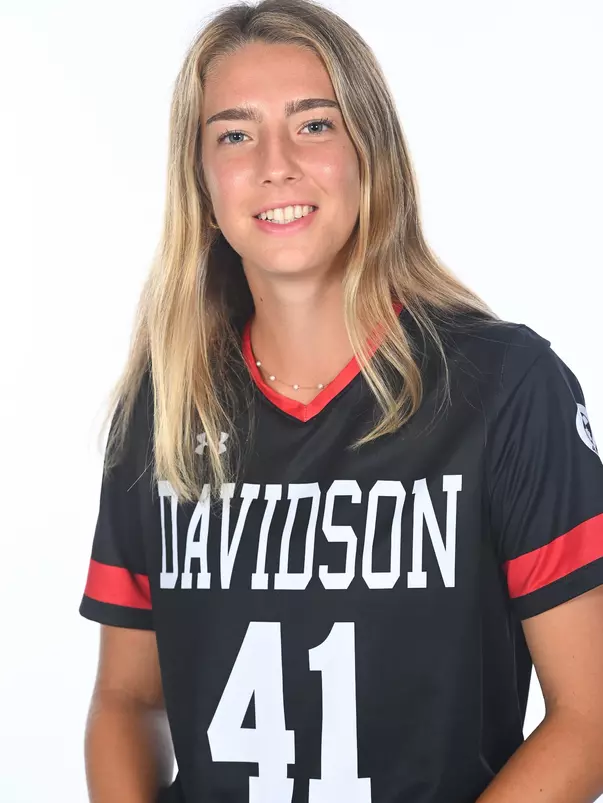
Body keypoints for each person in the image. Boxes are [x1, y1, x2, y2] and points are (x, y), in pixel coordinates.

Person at [78, 1, 603, 801]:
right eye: (234, 133)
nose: (274, 163)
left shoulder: (506, 387)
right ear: (201, 180)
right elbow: (128, 696)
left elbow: (588, 714)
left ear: (370, 152)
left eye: (314, 125)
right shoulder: (162, 406)